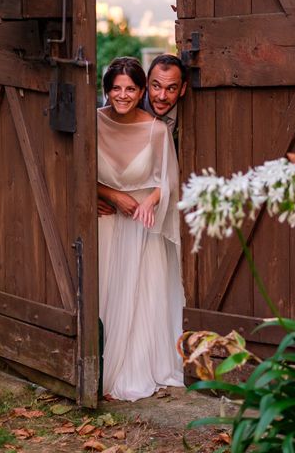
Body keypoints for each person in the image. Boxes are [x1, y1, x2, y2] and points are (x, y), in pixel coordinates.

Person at [97, 57, 185, 401]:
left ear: (140, 91)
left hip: (142, 227)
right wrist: (110, 195)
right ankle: (99, 365)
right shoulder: (92, 123)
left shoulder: (157, 129)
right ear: (107, 91)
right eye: (116, 88)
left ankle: (135, 365)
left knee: (140, 296)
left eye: (130, 88)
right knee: (104, 292)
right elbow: (76, 169)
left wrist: (149, 201)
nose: (123, 94)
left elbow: (170, 179)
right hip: (105, 221)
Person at [98, 54, 187, 217]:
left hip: (152, 213)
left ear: (182, 89)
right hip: (109, 214)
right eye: (156, 86)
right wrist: (93, 194)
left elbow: (171, 176)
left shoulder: (188, 115)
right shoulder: (115, 108)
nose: (162, 96)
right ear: (146, 84)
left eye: (171, 88)